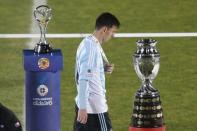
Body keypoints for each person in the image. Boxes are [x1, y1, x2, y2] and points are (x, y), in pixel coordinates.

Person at [74, 12, 120, 131]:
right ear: (105, 29)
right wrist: (83, 108)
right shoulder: (91, 49)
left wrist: (101, 69)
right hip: (94, 109)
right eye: (112, 32)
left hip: (84, 105)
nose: (113, 36)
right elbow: (83, 78)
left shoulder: (87, 42)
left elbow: (83, 69)